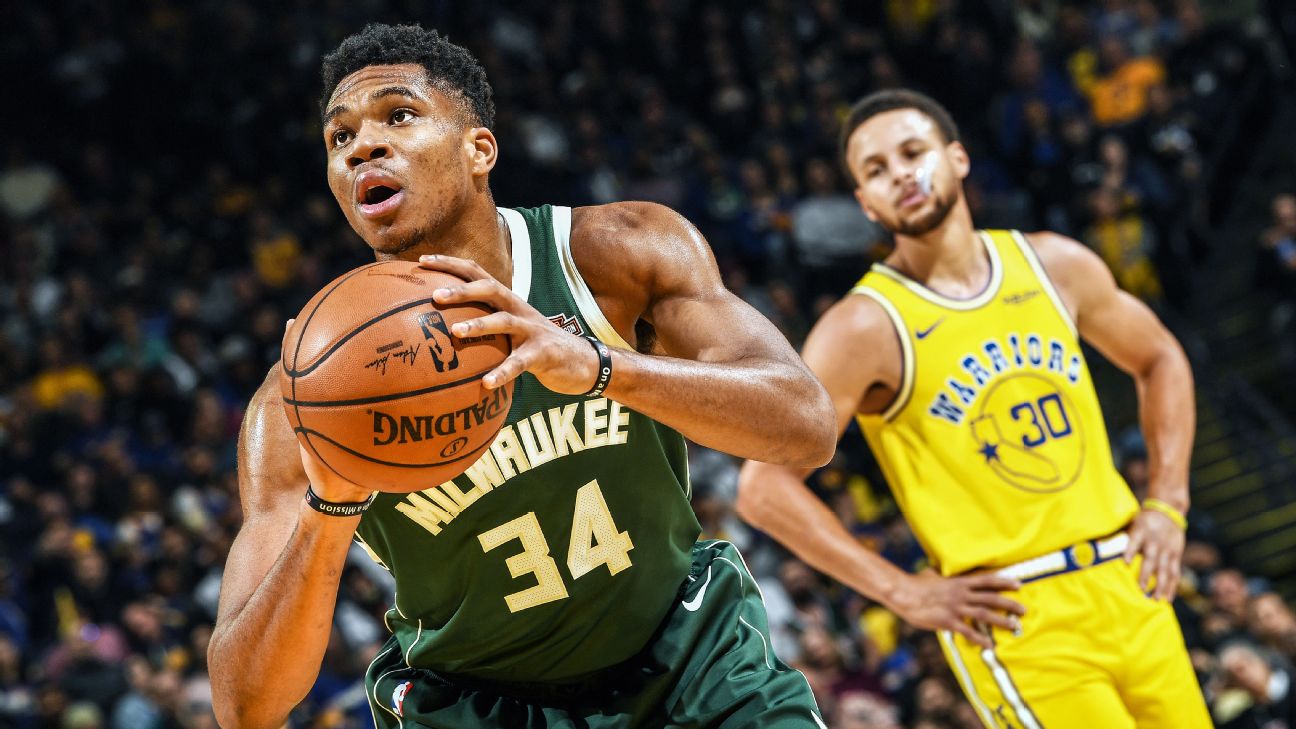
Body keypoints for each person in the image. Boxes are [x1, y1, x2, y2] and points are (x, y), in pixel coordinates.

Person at [208, 23, 837, 729]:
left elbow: (807, 427)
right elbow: (245, 707)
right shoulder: (303, 401)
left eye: (399, 115)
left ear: (479, 149)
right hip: (482, 708)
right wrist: (330, 510)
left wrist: (601, 367)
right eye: (339, 137)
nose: (363, 146)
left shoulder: (611, 254)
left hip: (689, 660)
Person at [737, 89, 1211, 728]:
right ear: (865, 203)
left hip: (1131, 579)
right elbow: (762, 487)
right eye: (876, 170)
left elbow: (1161, 357)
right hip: (1018, 615)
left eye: (913, 152)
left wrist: (1169, 503)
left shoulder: (1054, 264)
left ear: (957, 158)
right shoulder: (863, 327)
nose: (900, 174)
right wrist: (900, 591)